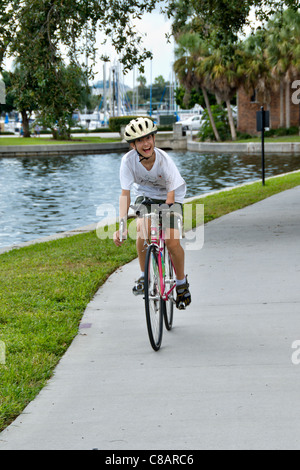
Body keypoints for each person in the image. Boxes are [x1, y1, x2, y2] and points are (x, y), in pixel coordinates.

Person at [113, 117, 191, 310]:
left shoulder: (164, 160)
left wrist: (165, 216)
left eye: (148, 137)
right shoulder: (128, 162)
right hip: (146, 195)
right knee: (142, 228)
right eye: (140, 140)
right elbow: (125, 195)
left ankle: (181, 285)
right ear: (133, 145)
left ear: (154, 138)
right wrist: (122, 227)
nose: (145, 143)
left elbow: (171, 194)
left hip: (171, 195)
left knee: (172, 241)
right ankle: (144, 275)